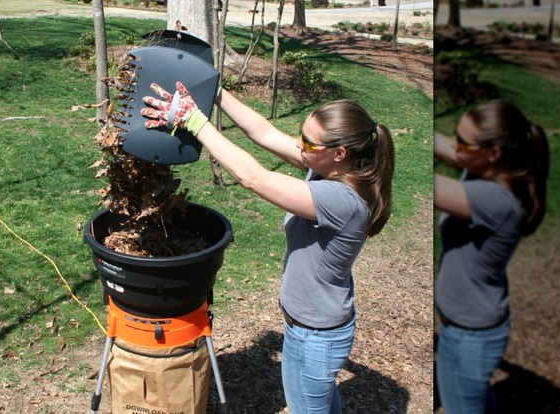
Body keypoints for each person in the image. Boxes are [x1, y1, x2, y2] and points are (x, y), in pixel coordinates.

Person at [142, 82, 395, 413]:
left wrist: (195, 122)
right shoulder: (327, 170)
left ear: (339, 153)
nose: (299, 145)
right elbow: (263, 131)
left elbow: (254, 178)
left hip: (315, 337)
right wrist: (213, 91)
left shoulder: (342, 199)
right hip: (310, 327)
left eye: (307, 141)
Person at [433, 100, 549, 413]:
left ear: (493, 153)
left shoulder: (494, 198)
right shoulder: (488, 172)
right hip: (469, 327)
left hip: (470, 336)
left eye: (462, 141)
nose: (454, 144)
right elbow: (440, 145)